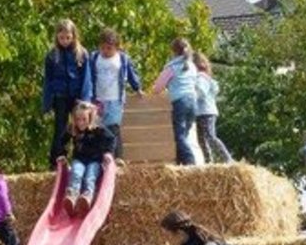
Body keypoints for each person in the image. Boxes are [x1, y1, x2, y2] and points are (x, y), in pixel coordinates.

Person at [41, 18, 93, 166]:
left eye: (68, 38)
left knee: (81, 125)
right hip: (60, 96)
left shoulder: (81, 53)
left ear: (74, 36)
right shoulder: (52, 55)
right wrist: (47, 103)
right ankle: (57, 159)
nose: (65, 41)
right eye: (61, 38)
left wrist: (85, 99)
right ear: (57, 37)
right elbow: (48, 81)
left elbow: (86, 78)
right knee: (61, 128)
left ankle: (82, 157)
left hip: (77, 96)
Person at [88, 28, 142, 160]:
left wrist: (137, 87)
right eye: (103, 48)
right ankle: (101, 158)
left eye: (109, 48)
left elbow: (130, 73)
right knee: (98, 129)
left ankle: (117, 158)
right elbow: (88, 76)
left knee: (113, 128)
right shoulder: (94, 57)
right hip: (98, 100)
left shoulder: (122, 59)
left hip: (115, 99)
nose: (105, 51)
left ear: (117, 48)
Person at [150, 37, 199, 165]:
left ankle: (190, 162)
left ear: (173, 52)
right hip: (193, 101)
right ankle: (180, 161)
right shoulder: (192, 66)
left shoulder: (172, 67)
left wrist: (158, 89)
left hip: (180, 102)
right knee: (184, 135)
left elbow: (157, 88)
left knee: (179, 136)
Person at [63, 101, 115, 217]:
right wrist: (62, 155)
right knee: (76, 173)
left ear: (90, 118)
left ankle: (87, 197)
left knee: (90, 176)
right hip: (79, 159)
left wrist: (108, 153)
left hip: (95, 160)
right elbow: (62, 141)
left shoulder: (98, 129)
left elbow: (111, 138)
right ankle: (72, 196)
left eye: (84, 119)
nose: (80, 122)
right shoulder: (73, 129)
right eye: (78, 119)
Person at [193, 53, 234, 164]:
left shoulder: (200, 77)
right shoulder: (204, 77)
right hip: (202, 112)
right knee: (201, 139)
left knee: (210, 136)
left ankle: (227, 158)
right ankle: (208, 161)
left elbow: (201, 92)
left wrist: (190, 97)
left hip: (205, 112)